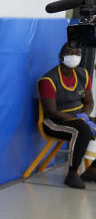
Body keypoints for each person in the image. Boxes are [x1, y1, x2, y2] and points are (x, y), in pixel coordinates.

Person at [36, 42, 96, 188]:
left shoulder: (83, 75)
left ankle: (92, 171)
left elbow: (89, 102)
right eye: (70, 53)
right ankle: (72, 174)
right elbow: (51, 111)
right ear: (61, 56)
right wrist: (78, 120)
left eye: (77, 53)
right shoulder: (49, 80)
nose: (74, 56)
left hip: (80, 118)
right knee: (82, 129)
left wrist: (85, 116)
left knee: (83, 126)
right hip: (55, 122)